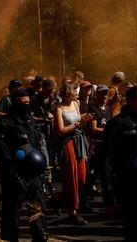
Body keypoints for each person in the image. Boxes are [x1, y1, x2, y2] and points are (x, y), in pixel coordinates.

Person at [0, 89, 48, 242]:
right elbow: (3, 155)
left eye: (28, 103)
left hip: (33, 175)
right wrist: (14, 176)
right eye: (22, 103)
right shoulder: (4, 124)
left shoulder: (31, 122)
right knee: (11, 215)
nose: (26, 105)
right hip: (14, 176)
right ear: (15, 103)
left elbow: (38, 146)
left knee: (37, 211)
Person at [104, 85, 137, 242]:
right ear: (130, 101)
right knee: (131, 216)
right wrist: (108, 188)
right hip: (126, 177)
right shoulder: (116, 124)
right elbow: (107, 156)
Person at [54, 82, 91, 224]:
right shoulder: (59, 109)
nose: (77, 93)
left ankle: (58, 198)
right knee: (72, 177)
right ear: (69, 93)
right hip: (67, 143)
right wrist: (77, 124)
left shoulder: (76, 104)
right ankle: (73, 211)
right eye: (75, 91)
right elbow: (60, 130)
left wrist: (85, 117)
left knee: (81, 177)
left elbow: (78, 118)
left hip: (79, 141)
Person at [80, 84, 114, 210]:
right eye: (102, 93)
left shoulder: (109, 109)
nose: (105, 96)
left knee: (106, 175)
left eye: (106, 93)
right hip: (95, 146)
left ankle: (108, 203)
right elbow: (94, 129)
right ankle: (83, 202)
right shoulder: (93, 109)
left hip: (106, 145)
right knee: (92, 175)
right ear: (97, 94)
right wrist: (109, 130)